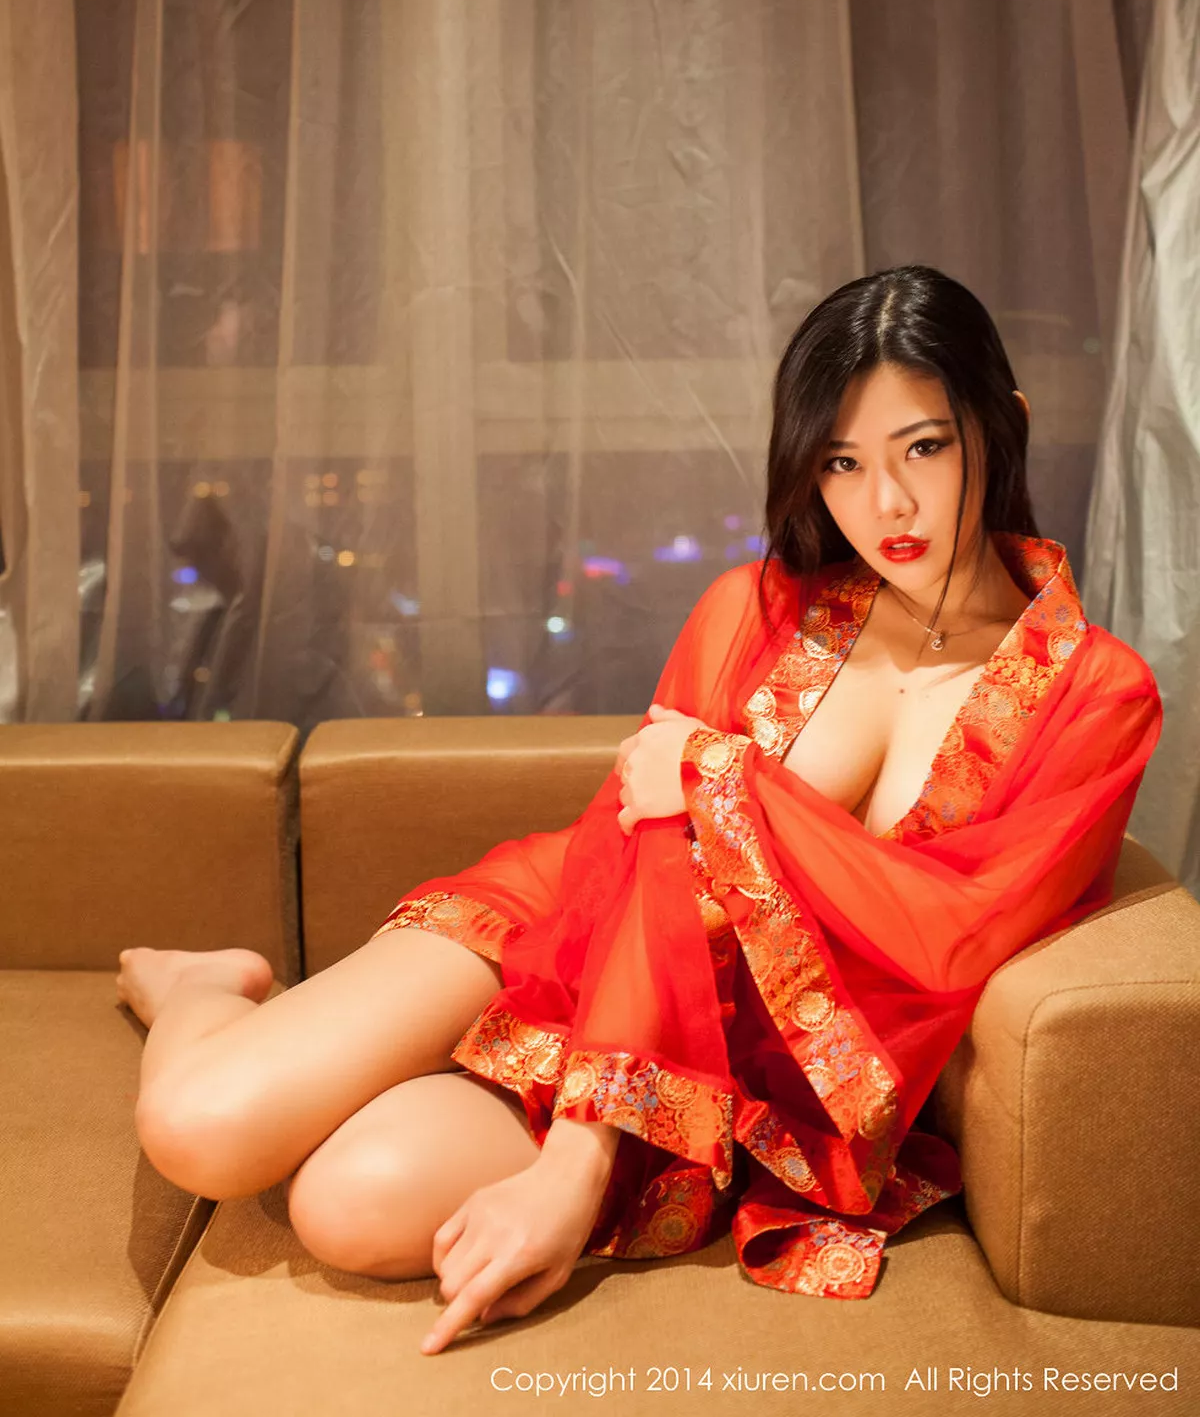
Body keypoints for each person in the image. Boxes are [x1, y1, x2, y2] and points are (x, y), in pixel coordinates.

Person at [116, 265, 1162, 1356]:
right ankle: (204, 986)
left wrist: (723, 779)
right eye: (842, 462)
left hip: (736, 1069)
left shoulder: (1099, 694)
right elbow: (649, 864)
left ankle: (374, 1067)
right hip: (571, 920)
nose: (885, 504)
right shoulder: (753, 609)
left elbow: (953, 933)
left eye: (925, 448)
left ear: (1005, 427)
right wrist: (578, 1156)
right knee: (198, 1127)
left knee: (350, 1208)